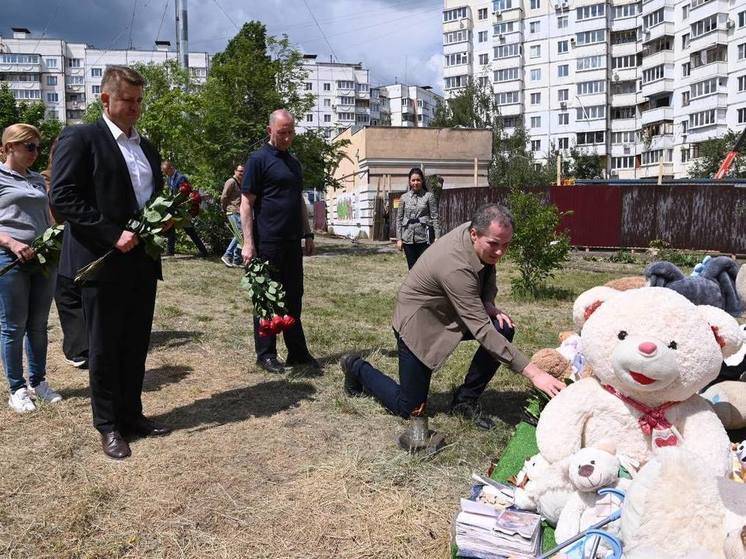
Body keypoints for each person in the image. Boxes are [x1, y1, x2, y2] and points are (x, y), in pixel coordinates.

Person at [340, 203, 565, 430]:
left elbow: (488, 267)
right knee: (409, 408)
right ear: (474, 234)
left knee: (502, 328)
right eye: (494, 244)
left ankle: (465, 401)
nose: (500, 252)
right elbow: (482, 330)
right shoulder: (454, 265)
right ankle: (356, 367)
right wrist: (534, 373)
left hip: (452, 311)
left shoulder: (478, 234)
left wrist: (487, 302)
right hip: (419, 324)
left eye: (506, 245)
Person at [51, 65, 170, 460]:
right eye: (127, 101)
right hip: (100, 261)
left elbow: (151, 198)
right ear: (106, 100)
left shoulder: (146, 147)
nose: (135, 108)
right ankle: (108, 425)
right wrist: (110, 233)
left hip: (141, 261)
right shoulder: (81, 138)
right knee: (103, 348)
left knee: (135, 343)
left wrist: (167, 216)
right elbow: (64, 197)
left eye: (139, 101)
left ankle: (132, 415)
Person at [240, 109, 318, 373]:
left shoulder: (294, 164)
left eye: (291, 132)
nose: (287, 137)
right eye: (282, 132)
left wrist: (307, 233)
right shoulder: (258, 160)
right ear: (269, 130)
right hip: (267, 242)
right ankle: (266, 354)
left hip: (291, 241)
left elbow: (298, 202)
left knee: (294, 296)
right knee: (267, 298)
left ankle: (297, 351)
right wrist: (248, 243)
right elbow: (246, 205)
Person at [0, 123, 62, 413]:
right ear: (10, 146)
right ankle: (16, 388)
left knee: (38, 325)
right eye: (30, 147)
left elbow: (47, 218)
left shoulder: (37, 179)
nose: (36, 153)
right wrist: (12, 243)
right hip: (10, 259)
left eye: (38, 147)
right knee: (13, 326)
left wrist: (55, 238)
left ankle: (38, 382)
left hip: (42, 258)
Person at [42, 138, 89, 370]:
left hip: (73, 239)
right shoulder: (46, 178)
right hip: (53, 241)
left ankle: (80, 346)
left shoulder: (65, 176)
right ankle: (78, 346)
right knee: (68, 293)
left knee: (72, 292)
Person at [161, 160, 209, 257]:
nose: (165, 174)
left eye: (166, 171)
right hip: (175, 207)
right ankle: (170, 251)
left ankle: (204, 252)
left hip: (183, 209)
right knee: (171, 227)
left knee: (189, 230)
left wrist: (178, 204)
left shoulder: (181, 178)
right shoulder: (169, 178)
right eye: (164, 172)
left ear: (171, 168)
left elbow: (184, 194)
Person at [396, 167, 440, 269]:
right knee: (412, 268)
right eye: (413, 180)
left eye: (418, 180)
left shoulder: (429, 196)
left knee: (424, 268)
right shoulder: (404, 197)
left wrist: (437, 236)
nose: (416, 183)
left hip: (424, 238)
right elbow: (399, 219)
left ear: (422, 181)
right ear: (409, 182)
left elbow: (435, 217)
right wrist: (399, 239)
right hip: (408, 239)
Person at [220, 164, 244, 268]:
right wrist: (224, 208)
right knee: (240, 235)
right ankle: (227, 255)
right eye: (240, 171)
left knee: (240, 235)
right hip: (232, 211)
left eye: (243, 172)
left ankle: (236, 260)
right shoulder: (231, 182)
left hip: (240, 212)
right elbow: (224, 197)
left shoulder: (241, 183)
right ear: (235, 171)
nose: (242, 173)